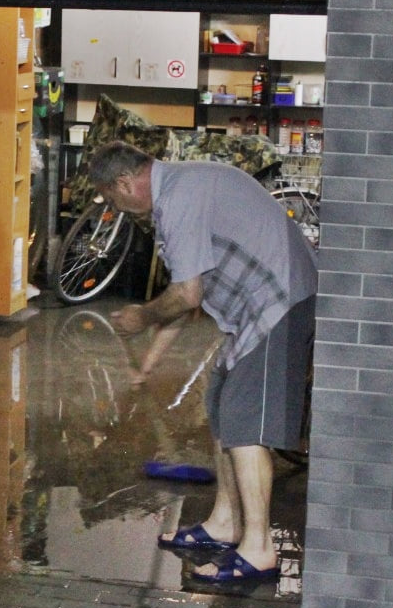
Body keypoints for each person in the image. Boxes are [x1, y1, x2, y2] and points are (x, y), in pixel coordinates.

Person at [88, 140, 316, 584]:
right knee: (221, 403)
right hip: (257, 307)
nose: (118, 209)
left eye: (114, 200)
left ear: (125, 183)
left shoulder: (179, 197)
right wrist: (146, 366)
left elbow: (183, 298)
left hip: (279, 299)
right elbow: (185, 296)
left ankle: (258, 550)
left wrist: (141, 315)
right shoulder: (177, 192)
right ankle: (225, 523)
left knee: (246, 422)